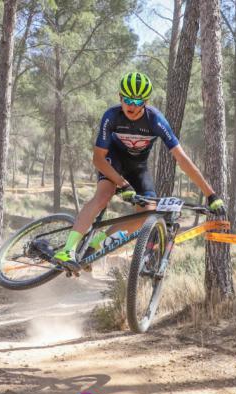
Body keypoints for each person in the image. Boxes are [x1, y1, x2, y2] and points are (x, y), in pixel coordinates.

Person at [53, 72, 225, 272]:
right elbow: (98, 159)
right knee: (103, 196)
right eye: (127, 100)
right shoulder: (111, 116)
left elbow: (182, 159)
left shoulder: (155, 120)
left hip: (138, 167)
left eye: (138, 101)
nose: (132, 106)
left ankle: (96, 244)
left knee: (146, 213)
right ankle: (68, 250)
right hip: (113, 162)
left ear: (146, 101)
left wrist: (210, 194)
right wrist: (121, 183)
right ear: (120, 97)